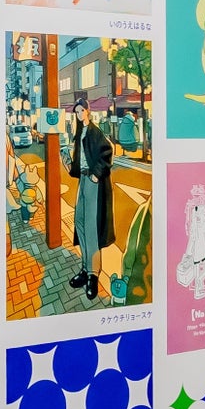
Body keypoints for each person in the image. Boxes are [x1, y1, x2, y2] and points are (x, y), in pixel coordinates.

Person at [67, 100, 115, 298]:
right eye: (77, 112)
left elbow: (107, 152)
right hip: (83, 180)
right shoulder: (80, 132)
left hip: (93, 182)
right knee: (79, 221)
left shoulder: (94, 131)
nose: (79, 114)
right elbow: (81, 158)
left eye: (82, 110)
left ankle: (93, 275)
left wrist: (96, 174)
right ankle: (86, 268)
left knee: (91, 228)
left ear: (88, 111)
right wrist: (70, 166)